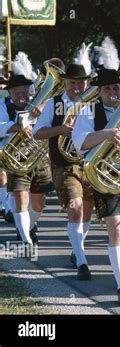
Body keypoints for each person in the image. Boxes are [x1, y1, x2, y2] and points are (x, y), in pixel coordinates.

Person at [72, 37, 120, 305]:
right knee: (115, 229)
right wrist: (105, 134)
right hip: (105, 178)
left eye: (116, 87)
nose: (113, 92)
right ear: (99, 91)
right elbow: (80, 142)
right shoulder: (88, 112)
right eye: (107, 89)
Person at [33, 44, 94, 280]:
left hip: (88, 163)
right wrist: (61, 129)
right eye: (73, 83)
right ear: (65, 83)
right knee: (75, 207)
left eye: (81, 83)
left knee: (87, 208)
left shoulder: (92, 104)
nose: (77, 87)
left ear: (86, 83)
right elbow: (38, 133)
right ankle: (81, 261)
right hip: (64, 164)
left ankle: (76, 250)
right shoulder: (53, 103)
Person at [0, 52, 54, 247]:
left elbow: (55, 113)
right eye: (17, 93)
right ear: (11, 93)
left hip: (38, 157)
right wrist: (17, 126)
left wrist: (42, 106)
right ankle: (26, 240)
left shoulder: (37, 104)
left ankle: (28, 226)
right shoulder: (3, 105)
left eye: (25, 92)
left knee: (39, 203)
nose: (22, 96)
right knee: (21, 197)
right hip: (15, 157)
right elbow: (0, 125)